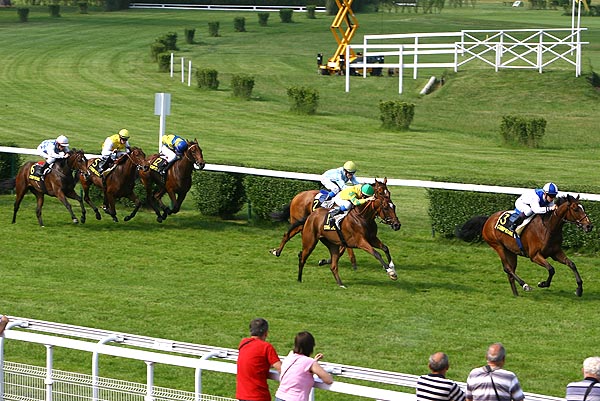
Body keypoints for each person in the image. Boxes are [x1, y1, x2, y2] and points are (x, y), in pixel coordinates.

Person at [275, 331, 333, 401]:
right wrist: (314, 364)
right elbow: (328, 380)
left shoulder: (289, 357)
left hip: (280, 397)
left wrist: (314, 362)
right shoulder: (309, 362)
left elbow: (299, 367)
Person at [236, 318, 282, 401]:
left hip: (242, 395)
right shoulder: (266, 347)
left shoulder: (243, 343)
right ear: (266, 333)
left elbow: (256, 361)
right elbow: (281, 369)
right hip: (259, 396)